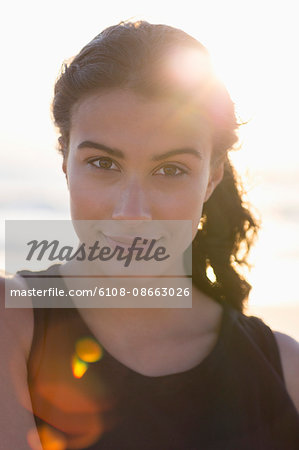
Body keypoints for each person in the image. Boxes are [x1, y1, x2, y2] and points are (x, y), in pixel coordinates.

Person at [1, 20, 299, 449]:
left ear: (212, 178)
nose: (132, 212)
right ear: (65, 159)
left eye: (171, 170)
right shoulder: (11, 324)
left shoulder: (282, 368)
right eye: (103, 164)